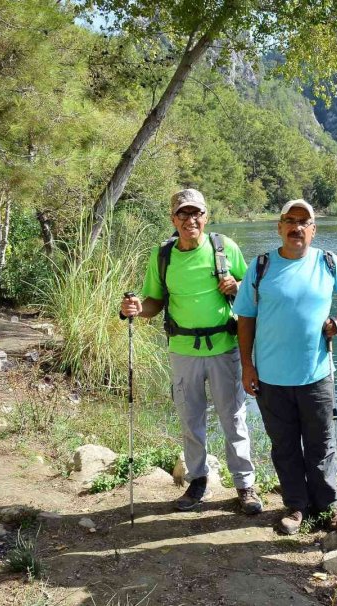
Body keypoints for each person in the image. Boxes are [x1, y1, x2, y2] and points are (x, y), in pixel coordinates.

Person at [119, 189, 261, 514]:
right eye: (183, 214)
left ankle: (245, 485)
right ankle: (197, 481)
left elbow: (252, 292)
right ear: (173, 219)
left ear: (206, 217)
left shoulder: (224, 248)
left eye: (196, 213)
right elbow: (154, 302)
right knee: (190, 419)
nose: (190, 220)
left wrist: (238, 286)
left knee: (233, 418)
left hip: (224, 347)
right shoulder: (162, 255)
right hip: (182, 350)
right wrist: (137, 308)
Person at [233, 199, 337, 535]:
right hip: (271, 378)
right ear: (279, 227)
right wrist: (247, 365)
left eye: (304, 222)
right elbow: (245, 318)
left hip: (317, 375)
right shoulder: (260, 266)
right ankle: (296, 506)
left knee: (321, 445)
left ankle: (326, 506)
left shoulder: (328, 262)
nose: (296, 227)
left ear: (313, 230)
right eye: (290, 220)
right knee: (284, 446)